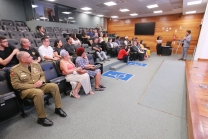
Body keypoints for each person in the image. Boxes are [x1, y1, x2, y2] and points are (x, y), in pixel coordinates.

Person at [10, 51, 67, 126]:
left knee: (54, 86)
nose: (31, 57)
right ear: (23, 60)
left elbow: (42, 75)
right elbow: (16, 85)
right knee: (38, 92)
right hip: (26, 90)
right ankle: (41, 118)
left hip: (40, 85)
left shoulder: (36, 64)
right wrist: (33, 86)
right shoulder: (14, 70)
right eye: (29, 56)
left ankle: (58, 108)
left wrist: (41, 81)